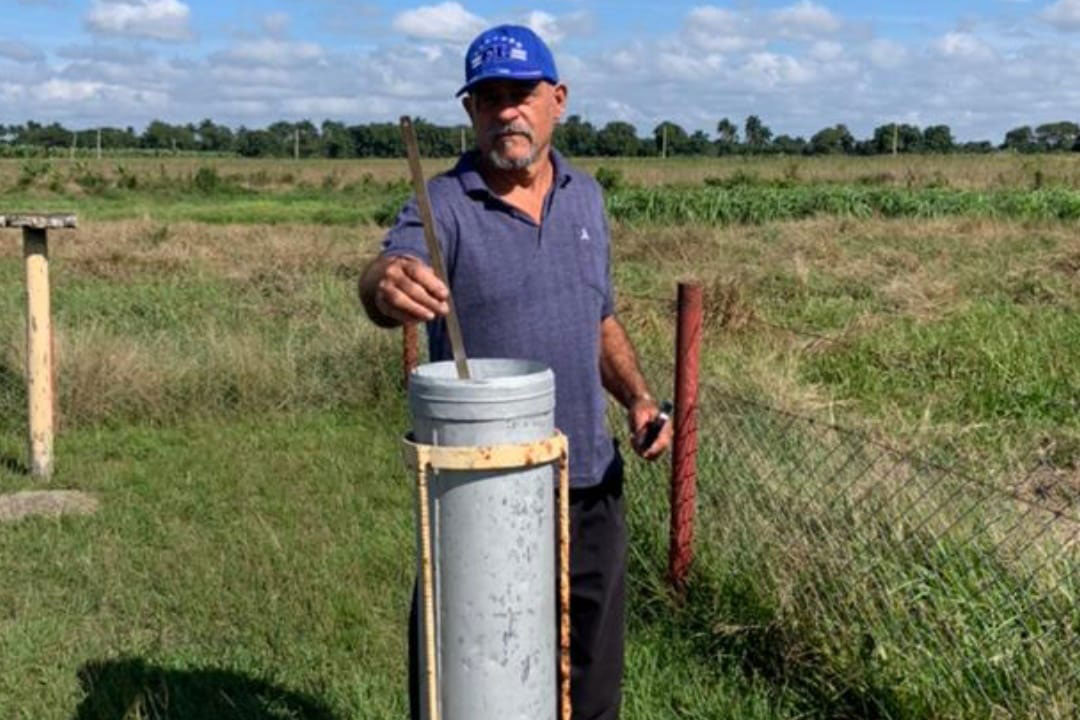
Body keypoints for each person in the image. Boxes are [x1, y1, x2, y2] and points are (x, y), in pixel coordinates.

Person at [358, 23, 672, 720]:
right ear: (470, 111)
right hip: (486, 487)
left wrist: (640, 400)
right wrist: (387, 285)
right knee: (467, 676)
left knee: (591, 680)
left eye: (521, 94)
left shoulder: (586, 198)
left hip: (589, 481)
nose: (506, 111)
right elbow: (389, 269)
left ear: (556, 99)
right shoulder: (444, 206)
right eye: (488, 97)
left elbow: (600, 319)